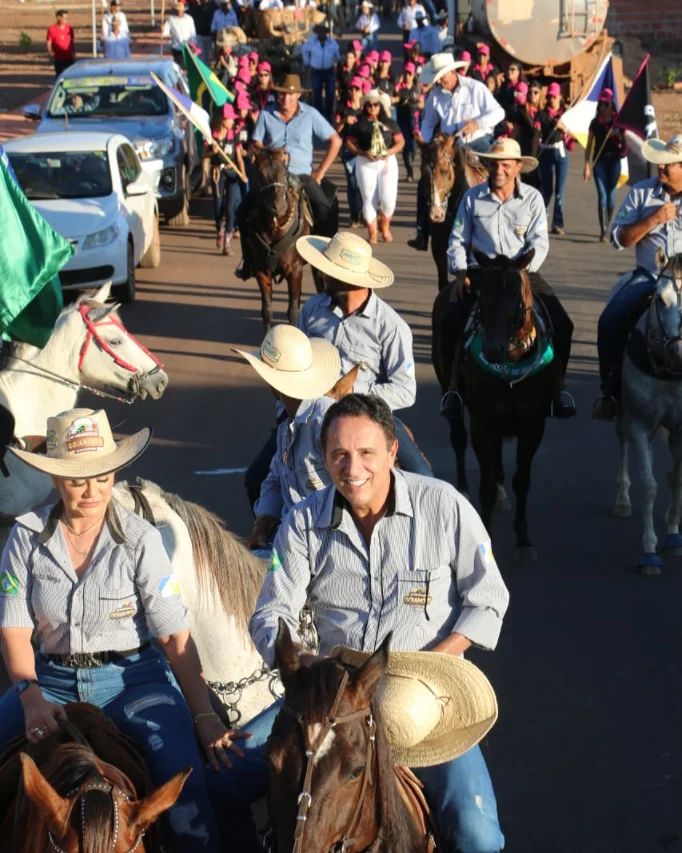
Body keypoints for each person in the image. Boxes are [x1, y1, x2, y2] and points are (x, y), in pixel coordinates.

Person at [224, 392, 510, 853]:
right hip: (333, 689)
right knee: (225, 779)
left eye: (365, 453)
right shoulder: (300, 522)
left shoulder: (446, 507)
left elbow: (489, 598)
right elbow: (271, 612)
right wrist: (300, 664)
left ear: (393, 452)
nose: (352, 468)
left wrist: (436, 663)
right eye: (339, 454)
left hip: (424, 692)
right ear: (323, 457)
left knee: (477, 836)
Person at [0, 408, 249, 852]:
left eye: (101, 476)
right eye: (78, 479)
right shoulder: (25, 537)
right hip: (49, 683)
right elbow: (14, 627)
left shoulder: (141, 540)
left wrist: (204, 716)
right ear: (57, 480)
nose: (92, 490)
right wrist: (30, 696)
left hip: (134, 683)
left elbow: (174, 637)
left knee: (185, 793)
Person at [444, 136, 576, 420]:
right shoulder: (472, 198)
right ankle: (451, 389)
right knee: (450, 319)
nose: (499, 170)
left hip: (522, 273)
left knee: (562, 324)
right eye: (494, 165)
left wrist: (523, 274)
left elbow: (539, 242)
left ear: (518, 168)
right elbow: (457, 239)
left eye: (505, 164)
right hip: (482, 273)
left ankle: (558, 391)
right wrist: (460, 272)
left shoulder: (533, 199)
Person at [296, 231, 432, 474]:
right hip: (310, 412)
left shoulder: (390, 326)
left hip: (369, 415)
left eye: (327, 269)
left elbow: (405, 391)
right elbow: (294, 364)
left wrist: (350, 392)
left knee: (423, 474)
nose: (321, 274)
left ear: (347, 277)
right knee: (256, 478)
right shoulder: (312, 309)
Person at [592, 134, 682, 420]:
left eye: (669, 164)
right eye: (661, 163)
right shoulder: (642, 192)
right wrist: (653, 219)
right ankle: (610, 392)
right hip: (650, 277)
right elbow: (619, 238)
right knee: (610, 321)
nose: (661, 168)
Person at [235, 325, 341, 548]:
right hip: (291, 537)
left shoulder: (327, 424)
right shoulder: (285, 429)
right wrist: (263, 522)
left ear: (273, 385)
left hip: (325, 543)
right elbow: (274, 479)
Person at [236, 73, 342, 280]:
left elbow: (335, 141)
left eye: (290, 95)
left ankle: (327, 262)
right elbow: (255, 143)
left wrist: (319, 173)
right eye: (281, 95)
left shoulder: (310, 115)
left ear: (298, 96)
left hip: (300, 174)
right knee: (243, 210)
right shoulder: (266, 114)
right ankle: (249, 260)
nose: (285, 99)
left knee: (324, 208)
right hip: (273, 176)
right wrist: (270, 152)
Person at [409, 52, 505, 251]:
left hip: (477, 140)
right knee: (426, 180)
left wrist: (477, 123)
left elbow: (498, 112)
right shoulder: (435, 96)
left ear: (453, 72)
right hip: (447, 145)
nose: (441, 81)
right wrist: (427, 142)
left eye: (443, 76)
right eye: (438, 78)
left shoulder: (475, 88)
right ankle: (422, 230)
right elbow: (428, 123)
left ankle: (500, 219)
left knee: (499, 173)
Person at [345, 88, 404, 243]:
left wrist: (389, 152)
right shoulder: (359, 124)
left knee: (388, 198)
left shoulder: (390, 123)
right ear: (365, 106)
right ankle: (373, 232)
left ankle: (385, 225)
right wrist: (362, 153)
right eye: (369, 105)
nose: (373, 108)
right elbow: (349, 142)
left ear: (380, 106)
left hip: (386, 161)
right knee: (368, 197)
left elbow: (400, 141)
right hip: (366, 162)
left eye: (376, 105)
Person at [583, 87, 626, 241]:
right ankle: (603, 230)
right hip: (599, 162)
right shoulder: (595, 123)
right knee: (602, 195)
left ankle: (608, 223)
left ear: (611, 105)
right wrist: (586, 165)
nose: (602, 107)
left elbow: (624, 143)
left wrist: (617, 135)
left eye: (605, 104)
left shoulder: (617, 122)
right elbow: (588, 146)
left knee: (611, 196)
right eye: (600, 103)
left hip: (614, 161)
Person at [207, 104, 247, 255]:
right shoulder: (212, 136)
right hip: (218, 173)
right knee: (218, 205)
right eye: (230, 119)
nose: (232, 121)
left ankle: (227, 243)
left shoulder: (233, 135)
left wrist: (243, 174)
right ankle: (220, 229)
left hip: (232, 173)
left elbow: (238, 157)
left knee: (231, 208)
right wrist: (212, 152)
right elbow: (204, 155)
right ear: (222, 119)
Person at [537, 81, 574, 235]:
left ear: (559, 97)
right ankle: (541, 222)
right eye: (549, 96)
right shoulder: (543, 114)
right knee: (547, 190)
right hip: (546, 152)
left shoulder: (565, 114)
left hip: (561, 153)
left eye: (554, 96)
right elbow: (538, 127)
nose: (551, 99)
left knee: (560, 191)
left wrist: (564, 126)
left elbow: (572, 133)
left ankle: (557, 223)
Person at [335, 75, 365, 228]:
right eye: (351, 89)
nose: (353, 92)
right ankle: (354, 217)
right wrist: (343, 121)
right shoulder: (342, 107)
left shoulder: (366, 107)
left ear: (361, 91)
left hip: (365, 151)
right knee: (353, 184)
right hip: (348, 152)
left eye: (357, 89)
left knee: (365, 184)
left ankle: (366, 214)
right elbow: (336, 130)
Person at [302, 23, 341, 121]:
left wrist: (336, 62)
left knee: (330, 92)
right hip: (316, 70)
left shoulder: (332, 43)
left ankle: (328, 113)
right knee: (316, 93)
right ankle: (317, 113)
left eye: (323, 32)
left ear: (326, 33)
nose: (322, 34)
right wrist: (307, 61)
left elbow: (338, 55)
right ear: (317, 33)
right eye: (320, 32)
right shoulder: (311, 42)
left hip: (329, 70)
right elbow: (304, 50)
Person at [393, 59, 422, 181]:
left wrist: (414, 103)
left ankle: (411, 162)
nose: (407, 76)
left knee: (413, 146)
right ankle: (409, 171)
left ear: (413, 74)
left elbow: (422, 103)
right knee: (406, 145)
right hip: (402, 119)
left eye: (410, 73)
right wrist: (398, 84)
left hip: (414, 120)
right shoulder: (400, 87)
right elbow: (394, 96)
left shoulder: (417, 88)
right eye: (406, 73)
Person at [162, 0, 197, 66]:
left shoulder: (189, 19)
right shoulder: (171, 19)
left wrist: (193, 46)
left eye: (180, 10)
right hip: (177, 48)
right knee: (179, 65)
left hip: (188, 48)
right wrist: (163, 29)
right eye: (177, 10)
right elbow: (165, 33)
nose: (179, 12)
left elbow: (193, 34)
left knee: (188, 66)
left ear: (183, 10)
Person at [46, 9, 75, 78]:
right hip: (58, 57)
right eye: (64, 18)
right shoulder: (51, 29)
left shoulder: (69, 28)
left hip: (68, 57)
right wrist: (50, 52)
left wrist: (73, 52)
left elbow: (71, 41)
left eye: (67, 18)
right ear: (58, 17)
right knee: (59, 75)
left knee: (70, 75)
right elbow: (49, 41)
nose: (66, 20)